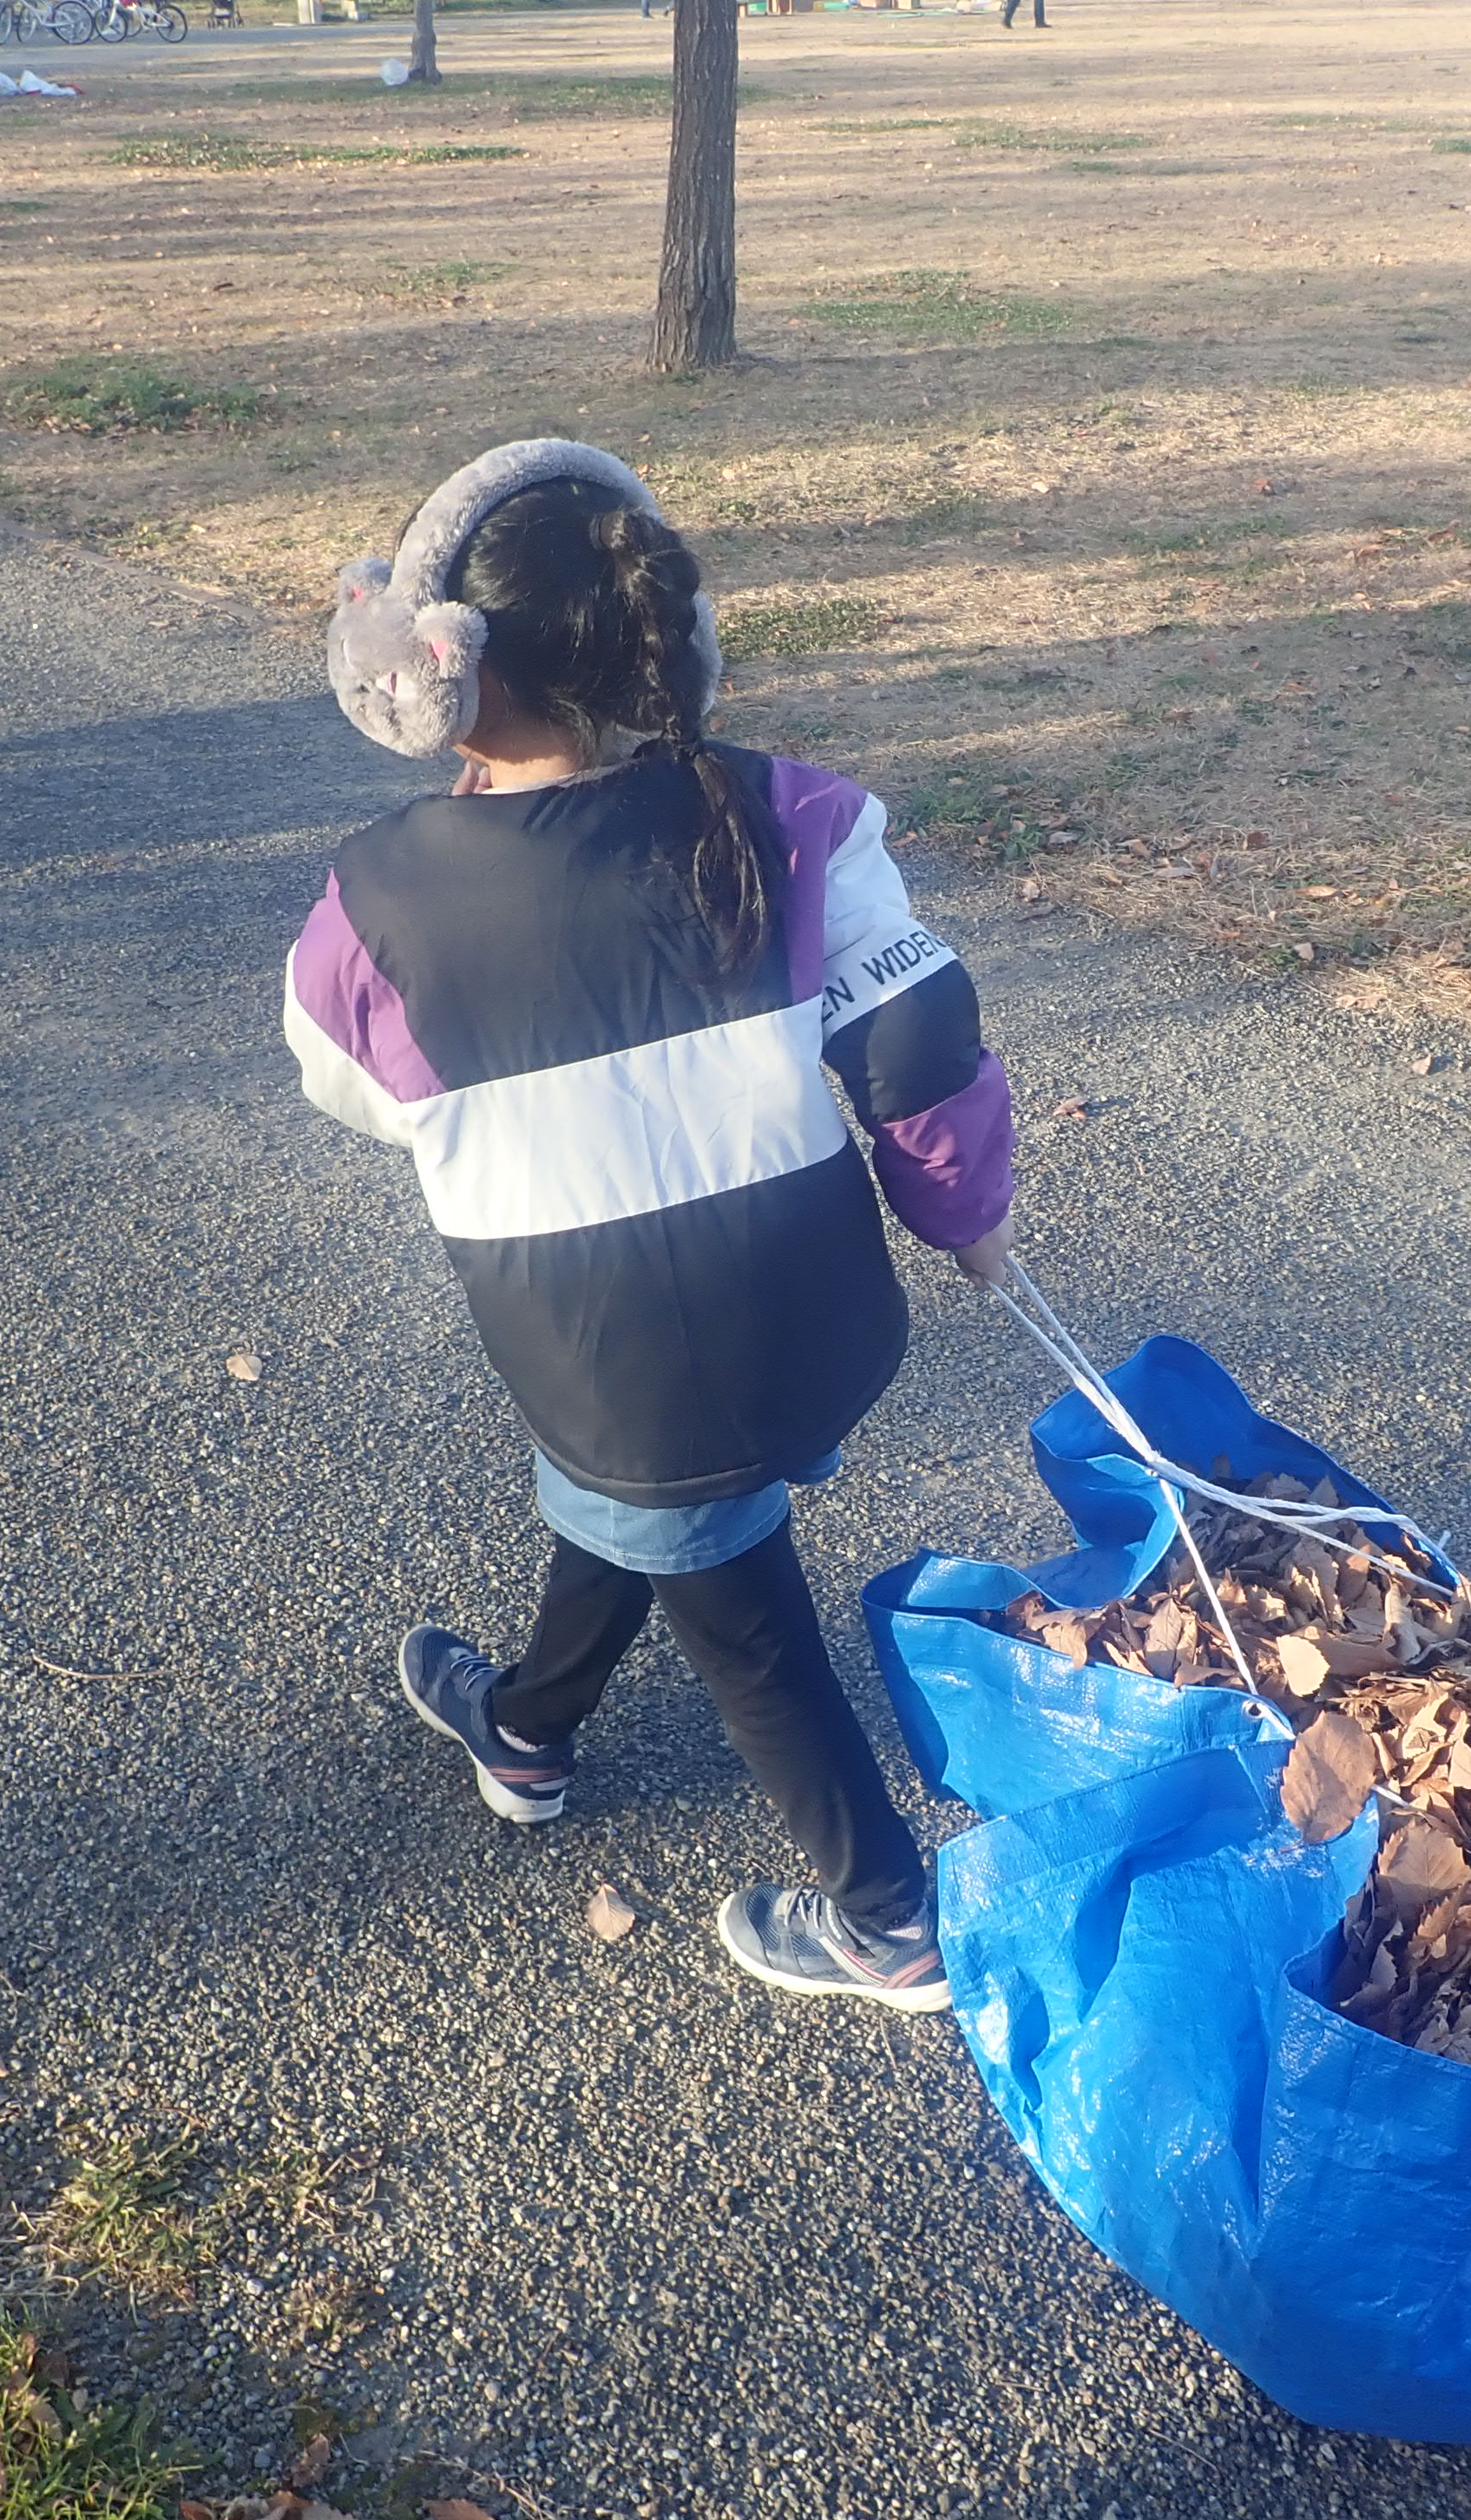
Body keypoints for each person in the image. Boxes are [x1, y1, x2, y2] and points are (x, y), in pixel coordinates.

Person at [290, 440, 1017, 2014]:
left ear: (438, 685)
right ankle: (529, 1727)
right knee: (641, 1511)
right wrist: (966, 1215)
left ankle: (889, 1919)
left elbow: (345, 1085)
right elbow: (913, 1045)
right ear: (663, 645)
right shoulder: (787, 814)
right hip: (811, 1320)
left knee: (745, 1626)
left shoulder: (381, 896)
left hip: (605, 1344)